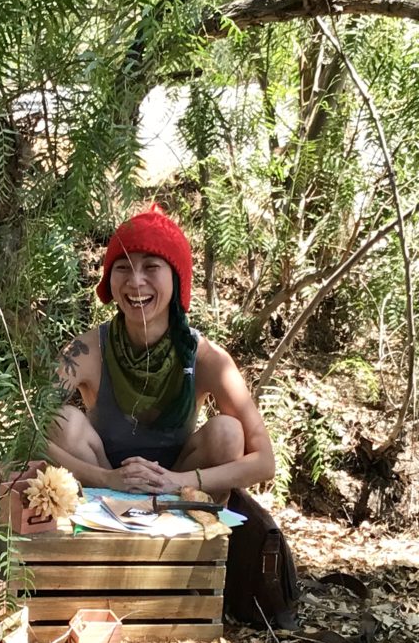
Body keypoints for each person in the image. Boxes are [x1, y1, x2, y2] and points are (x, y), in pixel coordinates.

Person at [47, 205, 275, 499]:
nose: (135, 281)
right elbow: (28, 429)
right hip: (101, 491)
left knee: (228, 432)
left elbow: (264, 461)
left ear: (176, 279)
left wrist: (176, 482)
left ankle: (201, 540)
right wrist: (108, 478)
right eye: (123, 267)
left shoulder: (206, 358)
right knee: (60, 421)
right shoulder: (86, 350)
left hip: (178, 496)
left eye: (151, 267)